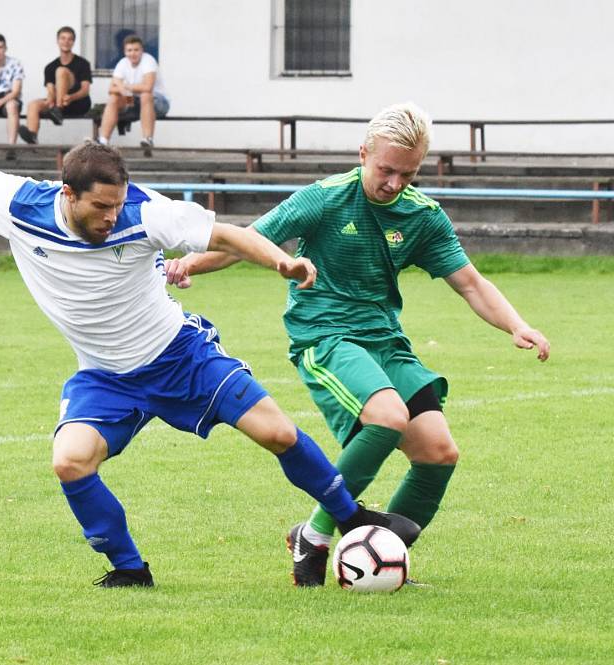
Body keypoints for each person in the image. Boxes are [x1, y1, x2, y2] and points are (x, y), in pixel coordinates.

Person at [0, 128, 420, 588]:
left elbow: (225, 234)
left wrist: (282, 263)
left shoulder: (144, 211)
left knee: (276, 432)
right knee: (70, 461)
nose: (110, 217)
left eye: (117, 205)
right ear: (66, 193)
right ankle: (129, 569)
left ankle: (349, 518)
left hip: (179, 355)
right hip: (104, 375)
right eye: (100, 207)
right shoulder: (20, 205)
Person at [165, 102, 551, 587]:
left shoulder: (423, 216)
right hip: (325, 335)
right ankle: (317, 534)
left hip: (385, 340)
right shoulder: (325, 198)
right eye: (386, 170)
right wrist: (186, 265)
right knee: (388, 417)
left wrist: (517, 324)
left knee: (438, 453)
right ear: (364, 152)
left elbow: (470, 283)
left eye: (407, 175)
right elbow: (249, 241)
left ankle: (380, 561)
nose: (394, 183)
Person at [98, 34, 170, 157]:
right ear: (125, 52)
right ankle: (103, 141)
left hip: (159, 102)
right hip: (133, 100)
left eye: (136, 50)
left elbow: (147, 87)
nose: (133, 53)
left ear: (142, 51)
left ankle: (148, 139)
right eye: (129, 50)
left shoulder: (148, 60)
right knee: (113, 98)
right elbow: (111, 89)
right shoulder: (122, 63)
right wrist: (124, 90)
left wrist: (124, 86)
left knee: (145, 95)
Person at [18, 26, 92, 145]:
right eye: (63, 38)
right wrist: (50, 100)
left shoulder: (82, 63)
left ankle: (58, 109)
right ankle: (33, 135)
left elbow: (85, 90)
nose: (66, 42)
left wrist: (71, 97)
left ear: (73, 42)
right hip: (57, 106)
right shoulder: (50, 67)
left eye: (69, 39)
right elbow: (50, 89)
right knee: (33, 105)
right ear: (57, 41)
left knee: (61, 71)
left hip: (78, 103)